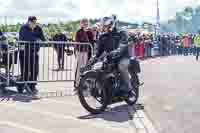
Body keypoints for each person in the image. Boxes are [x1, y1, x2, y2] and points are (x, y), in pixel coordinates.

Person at [91, 16, 136, 104]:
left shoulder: (121, 32)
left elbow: (123, 42)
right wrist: (93, 59)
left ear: (111, 25)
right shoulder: (102, 36)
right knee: (99, 69)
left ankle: (129, 90)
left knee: (121, 66)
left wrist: (119, 49)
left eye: (105, 26)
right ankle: (105, 93)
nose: (103, 28)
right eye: (103, 26)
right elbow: (99, 52)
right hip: (111, 59)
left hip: (123, 57)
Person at [19, 16, 45, 95]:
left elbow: (42, 38)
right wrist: (36, 39)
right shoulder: (23, 28)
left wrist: (44, 40)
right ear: (29, 22)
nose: (35, 24)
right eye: (33, 23)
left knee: (35, 70)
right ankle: (22, 85)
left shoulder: (38, 28)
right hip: (25, 53)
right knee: (25, 70)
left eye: (35, 22)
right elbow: (27, 37)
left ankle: (32, 85)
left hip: (34, 52)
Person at [74, 18, 94, 88]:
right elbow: (77, 42)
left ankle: (83, 83)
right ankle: (77, 83)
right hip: (80, 51)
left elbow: (91, 41)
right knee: (80, 67)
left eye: (86, 23)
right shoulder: (79, 31)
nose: (85, 24)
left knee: (85, 67)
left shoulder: (89, 32)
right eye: (84, 23)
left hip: (86, 51)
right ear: (81, 24)